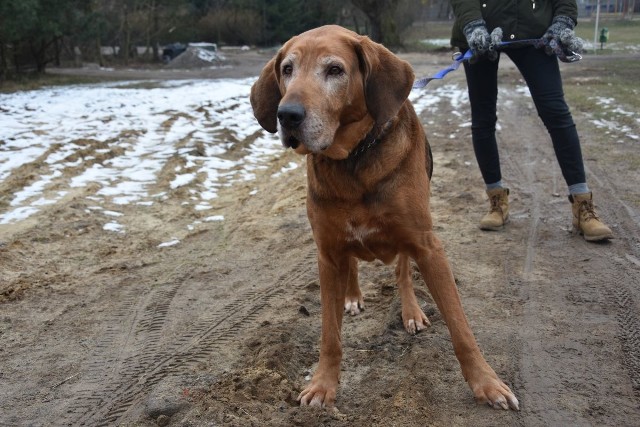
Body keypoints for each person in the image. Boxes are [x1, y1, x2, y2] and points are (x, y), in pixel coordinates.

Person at [449, 0, 613, 242]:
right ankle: (497, 202)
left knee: (556, 113)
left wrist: (562, 21)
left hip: (534, 32)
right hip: (479, 31)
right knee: (482, 118)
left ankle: (583, 205)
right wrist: (473, 25)